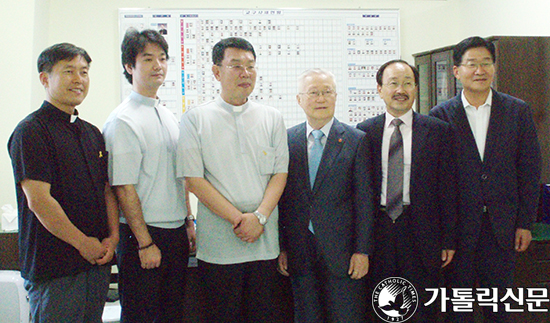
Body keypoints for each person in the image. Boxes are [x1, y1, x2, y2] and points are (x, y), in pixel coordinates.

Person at [430, 36, 541, 323]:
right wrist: (443, 233)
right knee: (460, 308)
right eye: (472, 64)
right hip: (458, 233)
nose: (480, 70)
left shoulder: (517, 111)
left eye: (486, 63)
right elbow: (437, 181)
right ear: (456, 71)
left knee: (499, 307)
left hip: (502, 230)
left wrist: (524, 223)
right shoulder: (440, 116)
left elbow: (529, 170)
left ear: (494, 67)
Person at [177, 37, 289, 323]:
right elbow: (193, 179)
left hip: (264, 245)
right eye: (236, 65)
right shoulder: (196, 119)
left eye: (250, 66)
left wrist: (260, 218)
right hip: (219, 248)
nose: (245, 73)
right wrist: (240, 220)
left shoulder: (272, 117)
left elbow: (280, 173)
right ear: (216, 72)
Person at [7, 43, 119, 322]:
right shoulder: (31, 131)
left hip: (95, 263)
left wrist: (113, 237)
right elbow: (39, 200)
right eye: (69, 71)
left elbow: (106, 190)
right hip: (55, 268)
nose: (79, 79)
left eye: (84, 71)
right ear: (45, 79)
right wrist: (82, 243)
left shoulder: (91, 133)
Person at [103, 28, 196, 323]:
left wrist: (188, 222)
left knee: (173, 314)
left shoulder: (167, 115)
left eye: (163, 57)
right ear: (129, 67)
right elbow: (123, 187)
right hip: (143, 236)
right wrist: (145, 243)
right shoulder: (124, 120)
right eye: (148, 59)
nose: (158, 65)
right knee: (141, 316)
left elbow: (180, 175)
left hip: (175, 233)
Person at [356, 59, 458, 322]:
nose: (400, 89)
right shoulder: (364, 132)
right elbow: (359, 191)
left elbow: (447, 189)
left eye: (408, 83)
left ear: (416, 88)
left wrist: (448, 238)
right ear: (379, 89)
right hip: (378, 228)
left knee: (422, 305)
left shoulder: (438, 131)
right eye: (393, 83)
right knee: (381, 304)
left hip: (422, 229)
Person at [277, 68, 372, 322]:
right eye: (314, 93)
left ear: (336, 96)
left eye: (327, 92)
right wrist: (283, 246)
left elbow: (364, 201)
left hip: (342, 252)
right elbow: (282, 199)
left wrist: (362, 251)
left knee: (346, 317)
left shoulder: (356, 140)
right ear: (299, 99)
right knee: (306, 317)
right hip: (299, 251)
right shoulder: (288, 140)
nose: (321, 98)